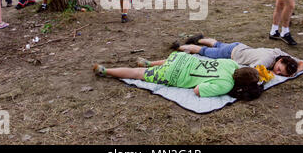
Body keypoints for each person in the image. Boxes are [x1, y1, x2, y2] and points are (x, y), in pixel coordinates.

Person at [94, 51, 264, 100]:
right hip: (175, 74)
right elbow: (197, 90)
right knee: (137, 74)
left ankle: (150, 62)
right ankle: (106, 71)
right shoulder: (226, 84)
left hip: (183, 58)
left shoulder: (232, 64)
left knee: (169, 60)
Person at [166, 34, 303, 77]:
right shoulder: (266, 61)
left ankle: (200, 39)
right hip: (231, 54)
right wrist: (269, 73)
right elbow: (251, 72)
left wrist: (293, 72)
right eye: (279, 69)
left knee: (218, 43)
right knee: (203, 52)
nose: (278, 72)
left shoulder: (279, 53)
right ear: (281, 61)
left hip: (238, 46)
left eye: (280, 73)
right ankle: (180, 47)